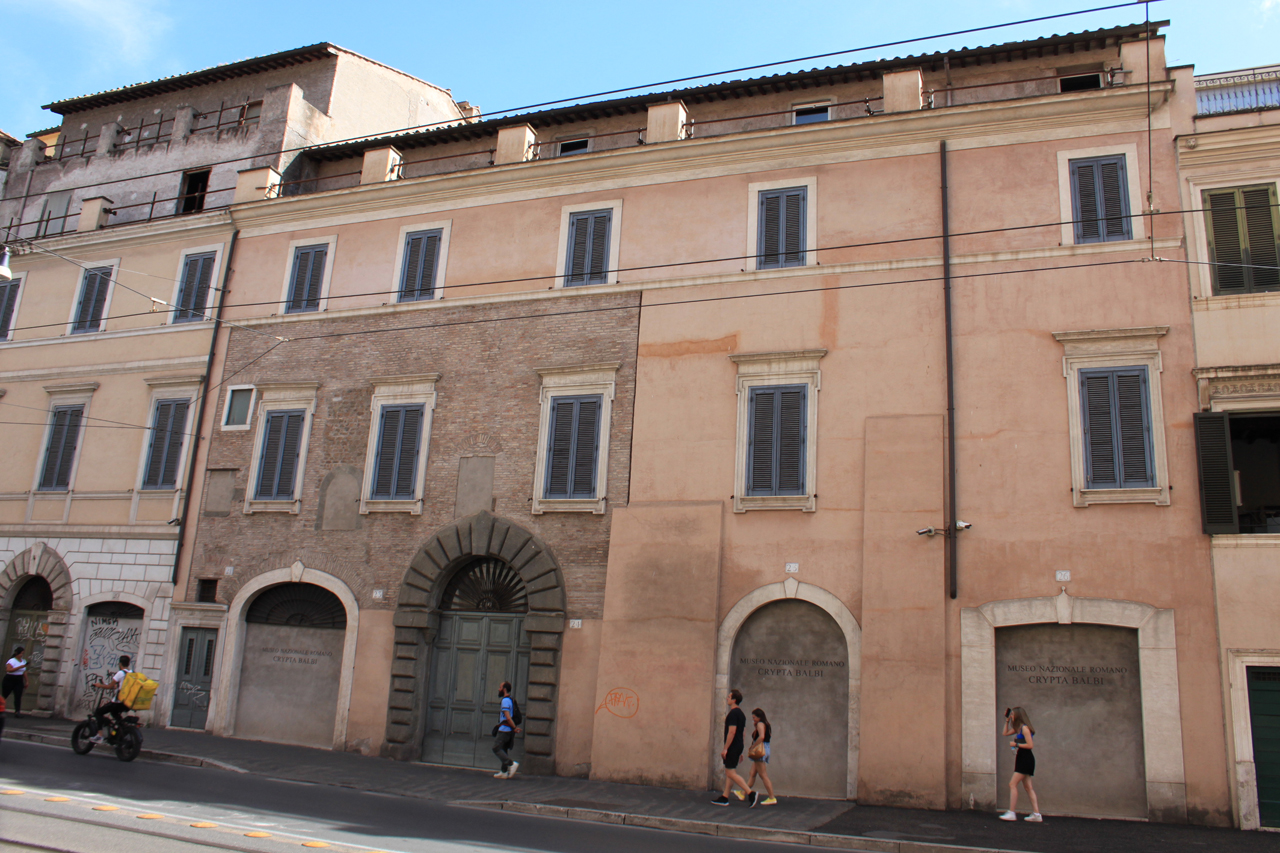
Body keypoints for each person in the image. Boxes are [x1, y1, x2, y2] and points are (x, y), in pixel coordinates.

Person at [999, 706, 1042, 822]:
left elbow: (1030, 745)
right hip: (1021, 758)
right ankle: (1037, 814)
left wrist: (1016, 744)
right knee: (1028, 787)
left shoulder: (1025, 729)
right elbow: (1005, 733)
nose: (1012, 716)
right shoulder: (1018, 728)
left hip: (1026, 759)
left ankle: (1012, 812)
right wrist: (1007, 721)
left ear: (1018, 715)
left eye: (1012, 714)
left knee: (1012, 784)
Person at [712, 689, 750, 806]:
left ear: (734, 700)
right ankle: (725, 797)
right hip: (738, 746)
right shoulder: (742, 715)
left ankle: (750, 792)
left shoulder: (733, 714)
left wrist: (725, 748)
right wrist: (741, 750)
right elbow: (743, 733)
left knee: (730, 773)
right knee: (731, 771)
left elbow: (732, 732)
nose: (727, 698)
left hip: (732, 746)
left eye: (729, 697)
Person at [734, 707, 777, 807]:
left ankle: (771, 797)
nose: (753, 719)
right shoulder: (766, 724)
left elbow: (761, 737)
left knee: (763, 775)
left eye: (754, 717)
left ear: (759, 717)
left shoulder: (760, 724)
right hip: (765, 748)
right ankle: (743, 792)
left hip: (760, 749)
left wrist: (753, 746)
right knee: (752, 773)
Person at [90, 655, 132, 741]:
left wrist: (99, 685)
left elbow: (109, 686)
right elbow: (120, 686)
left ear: (120, 664)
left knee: (98, 713)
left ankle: (99, 735)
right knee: (114, 714)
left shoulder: (120, 673)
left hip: (118, 702)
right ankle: (119, 730)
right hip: (126, 702)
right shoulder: (132, 673)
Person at [492, 681, 521, 779]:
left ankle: (511, 764)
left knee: (496, 748)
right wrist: (514, 728)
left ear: (504, 689)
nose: (498, 689)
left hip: (504, 730)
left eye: (500, 687)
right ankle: (504, 772)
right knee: (503, 749)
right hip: (508, 730)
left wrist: (514, 728)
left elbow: (508, 718)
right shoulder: (511, 700)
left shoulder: (505, 700)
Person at [3, 646, 27, 718]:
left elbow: (24, 671)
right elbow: (8, 670)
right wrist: (19, 667)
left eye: (23, 654)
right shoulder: (11, 661)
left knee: (18, 695)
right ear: (17, 653)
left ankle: (17, 711)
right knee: (5, 695)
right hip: (10, 679)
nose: (22, 655)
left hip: (19, 679)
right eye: (21, 653)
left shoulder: (23, 661)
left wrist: (27, 681)